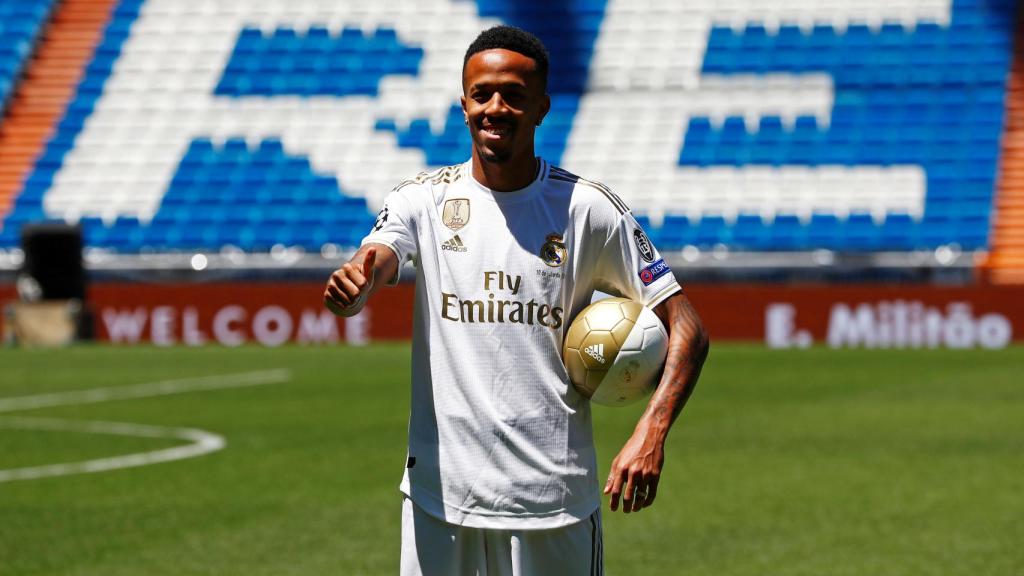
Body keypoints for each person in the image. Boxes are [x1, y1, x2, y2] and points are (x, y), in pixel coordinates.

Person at [324, 25, 708, 575]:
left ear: (542, 108)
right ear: (463, 104)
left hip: (553, 506)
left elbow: (688, 328)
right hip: (439, 503)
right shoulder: (423, 200)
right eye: (482, 94)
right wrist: (355, 288)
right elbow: (380, 255)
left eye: (514, 96)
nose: (495, 108)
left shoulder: (588, 210)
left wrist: (651, 430)